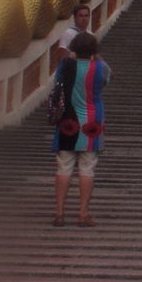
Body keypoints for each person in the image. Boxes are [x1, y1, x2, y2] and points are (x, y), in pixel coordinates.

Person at [50, 31, 110, 228]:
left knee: (64, 166)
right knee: (87, 168)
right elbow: (109, 77)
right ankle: (83, 213)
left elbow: (56, 83)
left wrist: (71, 56)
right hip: (92, 122)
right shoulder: (99, 68)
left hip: (68, 120)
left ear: (74, 47)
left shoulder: (65, 66)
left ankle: (59, 213)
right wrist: (97, 55)